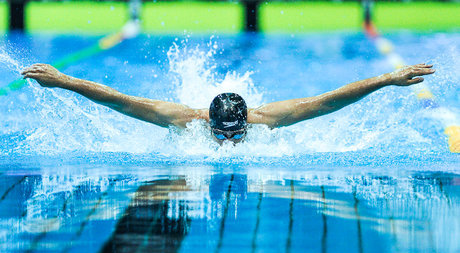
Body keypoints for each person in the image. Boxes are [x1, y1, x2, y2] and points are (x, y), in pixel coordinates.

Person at [21, 63, 435, 145]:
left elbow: (327, 103)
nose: (228, 144)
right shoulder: (184, 122)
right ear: (211, 126)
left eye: (236, 136)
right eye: (223, 136)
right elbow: (120, 101)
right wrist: (65, 81)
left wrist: (387, 79)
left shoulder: (265, 122)